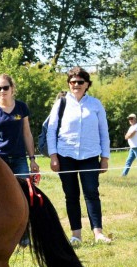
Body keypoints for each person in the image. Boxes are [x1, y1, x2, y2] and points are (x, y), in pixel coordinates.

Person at [45, 67, 111, 245]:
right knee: (71, 195)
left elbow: (104, 132)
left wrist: (105, 157)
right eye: (72, 82)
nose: (76, 85)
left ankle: (98, 233)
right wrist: (53, 156)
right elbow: (51, 131)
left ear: (87, 84)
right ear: (69, 84)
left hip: (90, 155)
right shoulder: (61, 103)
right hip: (65, 155)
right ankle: (76, 235)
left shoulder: (96, 104)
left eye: (80, 82)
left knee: (92, 193)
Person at [0, 74, 40, 180]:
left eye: (5, 87)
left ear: (12, 88)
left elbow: (27, 134)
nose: (2, 91)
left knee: (24, 192)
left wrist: (32, 159)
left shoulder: (21, 107)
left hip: (19, 158)